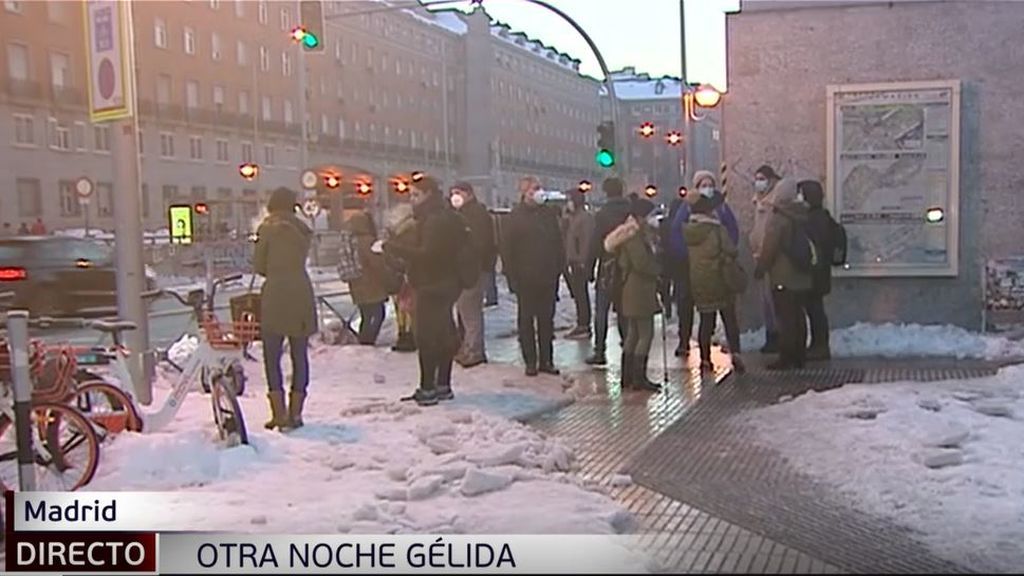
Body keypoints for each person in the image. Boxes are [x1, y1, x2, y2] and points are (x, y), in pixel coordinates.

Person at [383, 176, 466, 406]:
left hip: (432, 284)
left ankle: (428, 388)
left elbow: (427, 254)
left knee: (428, 337)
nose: (412, 200)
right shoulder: (446, 215)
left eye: (415, 195)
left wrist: (394, 247)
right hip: (448, 283)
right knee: (444, 333)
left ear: (428, 194)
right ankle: (443, 385)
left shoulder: (433, 220)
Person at [254, 187, 318, 431]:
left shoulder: (267, 228)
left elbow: (260, 266)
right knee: (299, 354)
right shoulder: (302, 230)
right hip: (301, 291)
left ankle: (278, 413)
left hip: (276, 294)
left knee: (272, 355)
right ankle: (296, 412)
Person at [666, 172, 740, 357]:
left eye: (709, 183)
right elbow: (676, 234)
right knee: (702, 308)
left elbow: (733, 229)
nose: (707, 187)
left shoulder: (721, 208)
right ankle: (688, 341)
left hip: (702, 269)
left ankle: (705, 357)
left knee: (707, 314)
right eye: (703, 184)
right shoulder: (688, 208)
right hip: (699, 268)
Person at [502, 176, 564, 376]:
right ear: (524, 192)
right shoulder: (515, 216)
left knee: (547, 321)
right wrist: (512, 277)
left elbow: (557, 242)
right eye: (533, 189)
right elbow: (507, 248)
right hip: (525, 277)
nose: (538, 192)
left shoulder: (548, 214)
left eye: (539, 188)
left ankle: (547, 360)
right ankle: (530, 361)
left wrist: (558, 268)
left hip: (547, 276)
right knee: (526, 321)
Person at [683, 185, 746, 375]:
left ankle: (704, 359)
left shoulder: (689, 230)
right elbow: (731, 250)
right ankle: (736, 353)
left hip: (699, 279)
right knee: (729, 318)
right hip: (720, 278)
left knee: (706, 320)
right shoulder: (717, 229)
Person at [603, 197, 662, 392]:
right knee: (645, 333)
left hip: (631, 289)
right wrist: (658, 269)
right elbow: (641, 263)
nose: (653, 218)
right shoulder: (635, 237)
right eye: (650, 215)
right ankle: (638, 378)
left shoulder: (630, 234)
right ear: (641, 217)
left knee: (633, 333)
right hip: (639, 290)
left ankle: (627, 376)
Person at [754, 179, 812, 370]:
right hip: (802, 274)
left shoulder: (778, 217)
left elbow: (770, 247)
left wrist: (761, 268)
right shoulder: (803, 212)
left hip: (783, 274)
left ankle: (786, 356)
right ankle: (800, 355)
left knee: (785, 317)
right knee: (798, 315)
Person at [585, 177, 632, 365]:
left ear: (606, 192)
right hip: (627, 267)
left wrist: (589, 268)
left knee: (601, 311)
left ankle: (599, 351)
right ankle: (627, 348)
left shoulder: (602, 214)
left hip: (606, 268)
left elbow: (595, 242)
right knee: (624, 311)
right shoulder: (630, 211)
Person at [450, 181, 496, 368]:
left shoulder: (475, 214)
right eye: (453, 192)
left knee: (470, 312)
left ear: (469, 194)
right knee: (466, 311)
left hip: (473, 269)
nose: (455, 196)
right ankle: (469, 348)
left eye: (458, 192)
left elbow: (479, 243)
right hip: (466, 269)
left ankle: (474, 350)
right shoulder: (463, 214)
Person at [341, 196, 393, 346]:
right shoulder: (367, 241)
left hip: (357, 284)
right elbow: (377, 263)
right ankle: (367, 341)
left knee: (366, 314)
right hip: (371, 284)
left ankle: (364, 341)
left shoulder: (350, 240)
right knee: (378, 313)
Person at [800, 179, 837, 360]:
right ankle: (818, 345)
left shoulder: (813, 218)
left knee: (814, 309)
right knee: (815, 309)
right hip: (820, 272)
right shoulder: (822, 216)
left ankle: (819, 346)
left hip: (814, 271)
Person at [749, 165, 783, 353]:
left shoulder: (774, 202)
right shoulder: (759, 200)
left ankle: (777, 336)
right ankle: (771, 336)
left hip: (770, 257)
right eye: (756, 178)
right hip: (760, 255)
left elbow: (770, 232)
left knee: (773, 300)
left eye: (762, 178)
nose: (758, 182)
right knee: (766, 302)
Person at [383, 202, 418, 352]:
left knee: (406, 307)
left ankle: (407, 335)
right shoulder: (402, 232)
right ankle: (404, 334)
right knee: (402, 307)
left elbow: (403, 254)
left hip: (405, 275)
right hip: (400, 274)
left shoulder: (407, 233)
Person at [563, 188, 595, 340]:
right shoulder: (574, 218)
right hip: (574, 261)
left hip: (579, 262)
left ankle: (584, 324)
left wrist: (583, 260)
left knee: (581, 294)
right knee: (578, 294)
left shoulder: (584, 218)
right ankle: (581, 322)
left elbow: (586, 241)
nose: (567, 203)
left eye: (569, 200)